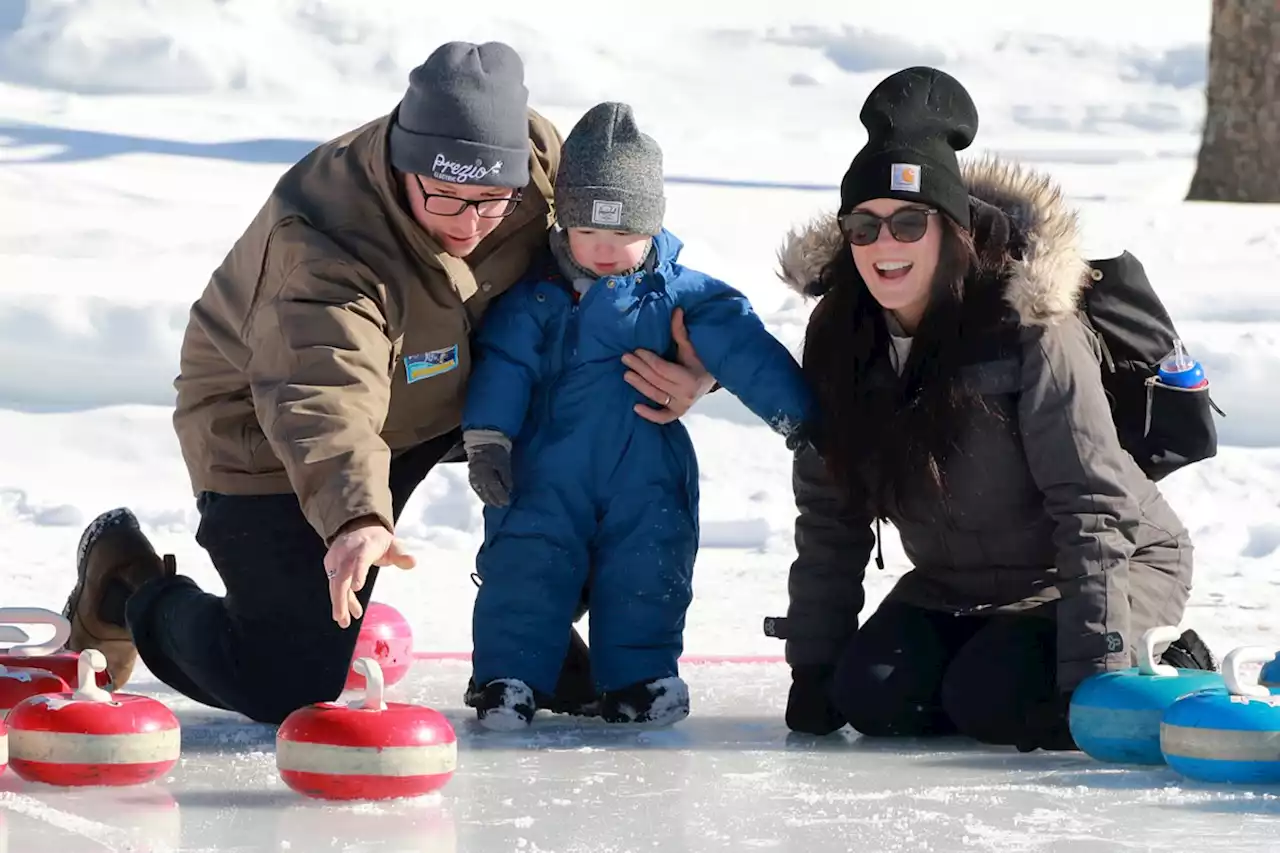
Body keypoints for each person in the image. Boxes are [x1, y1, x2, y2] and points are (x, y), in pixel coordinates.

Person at [59, 42, 714, 725]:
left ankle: (532, 633)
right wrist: (356, 518)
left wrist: (695, 366)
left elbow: (638, 265)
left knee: (604, 437)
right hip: (272, 425)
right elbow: (323, 396)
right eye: (447, 198)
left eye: (494, 201)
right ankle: (128, 588)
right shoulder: (324, 243)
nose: (469, 223)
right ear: (404, 163)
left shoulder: (543, 164)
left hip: (457, 385)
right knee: (283, 678)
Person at [766, 66, 1215, 749]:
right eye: (864, 225)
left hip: (1108, 561)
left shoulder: (1029, 324)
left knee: (995, 701)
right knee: (868, 697)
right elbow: (830, 513)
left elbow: (1090, 502)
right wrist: (815, 665)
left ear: (951, 227)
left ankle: (1172, 658)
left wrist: (1098, 680)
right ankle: (986, 664)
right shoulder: (839, 335)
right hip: (955, 584)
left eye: (908, 222)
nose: (885, 245)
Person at [459, 102, 814, 729]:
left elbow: (743, 346)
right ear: (562, 224)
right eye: (586, 232)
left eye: (622, 234)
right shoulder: (535, 297)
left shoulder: (681, 293)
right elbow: (504, 366)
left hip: (645, 469)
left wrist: (801, 418)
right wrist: (489, 440)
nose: (603, 249)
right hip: (545, 472)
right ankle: (505, 681)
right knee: (525, 567)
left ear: (652, 227)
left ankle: (640, 681)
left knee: (647, 569)